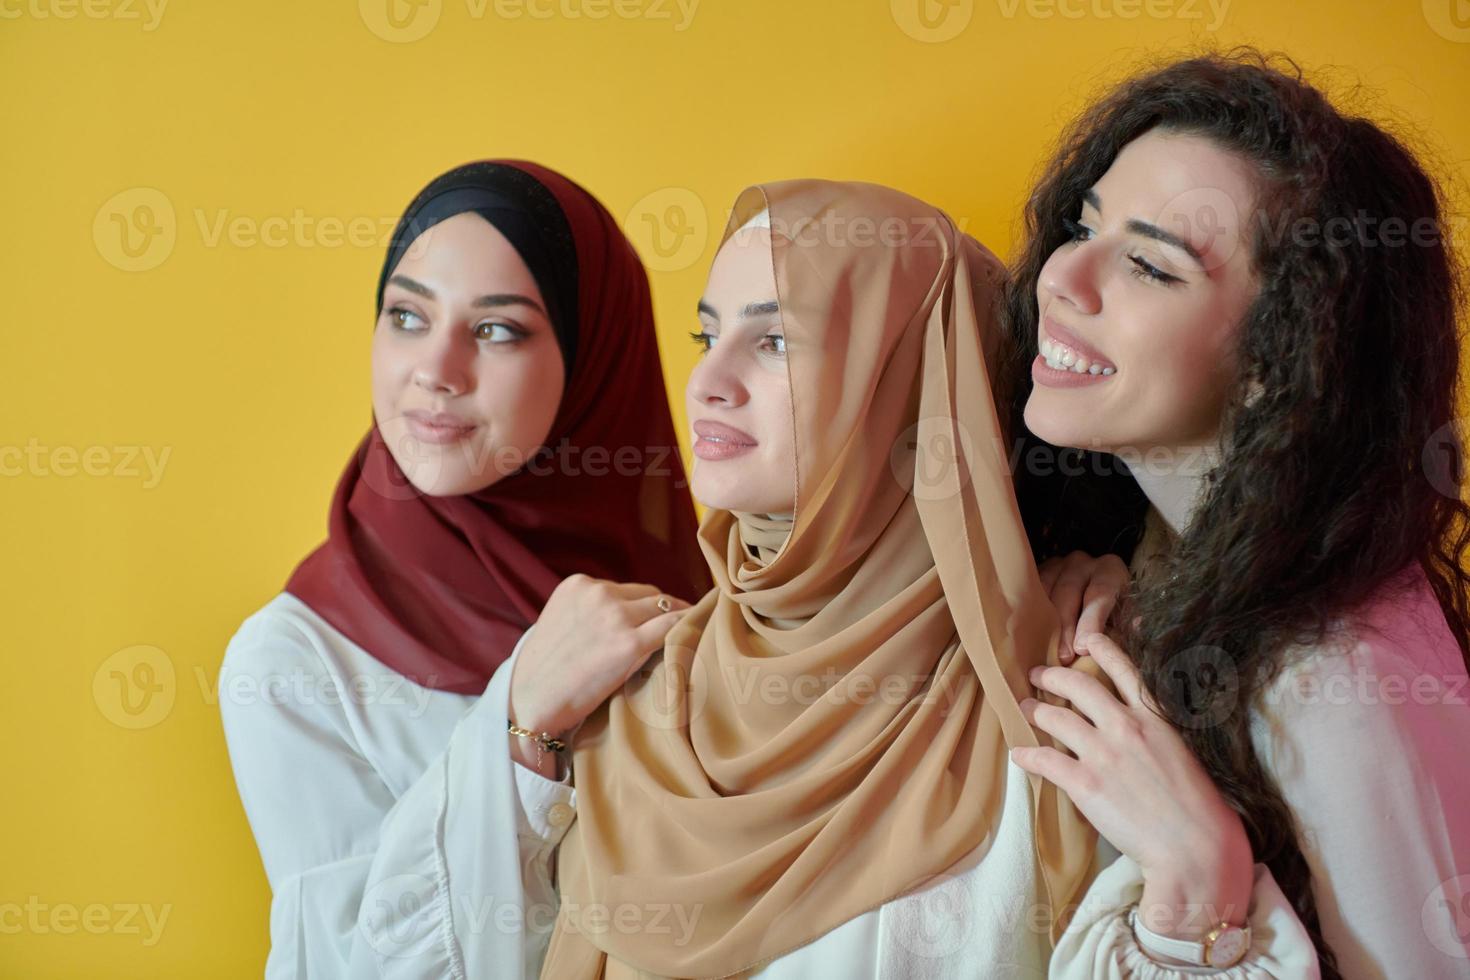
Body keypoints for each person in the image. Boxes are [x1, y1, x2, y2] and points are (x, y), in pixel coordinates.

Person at [998, 50, 1470, 976]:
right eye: (1081, 225)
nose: (1062, 279)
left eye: (1147, 265)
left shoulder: (1338, 682)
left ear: (1278, 359)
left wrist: (1194, 888)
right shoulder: (1160, 561)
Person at [219, 159, 708, 977]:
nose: (435, 369)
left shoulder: (698, 609)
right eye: (407, 316)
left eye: (496, 329)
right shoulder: (298, 665)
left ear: (596, 362)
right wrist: (522, 725)